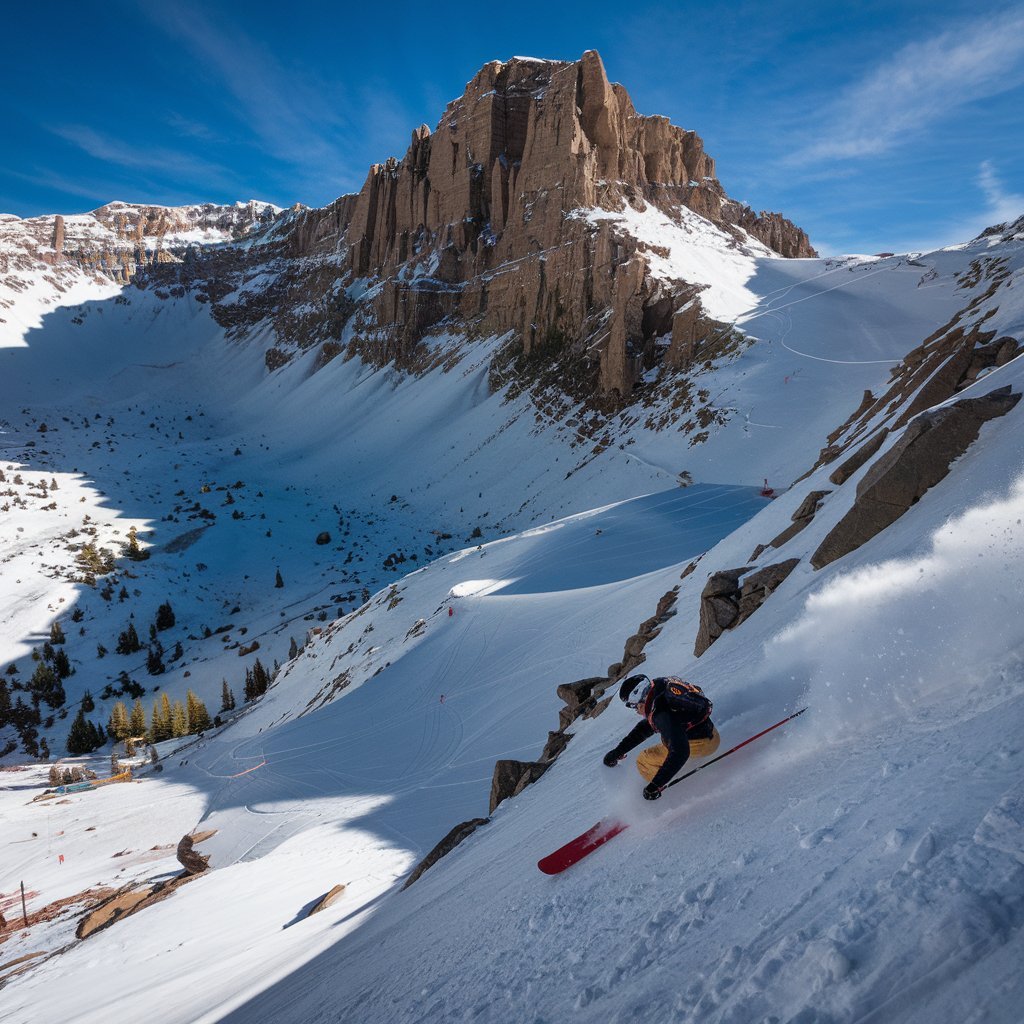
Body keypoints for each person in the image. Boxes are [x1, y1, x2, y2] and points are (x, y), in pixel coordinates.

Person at [602, 674, 720, 800]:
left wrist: (655, 786)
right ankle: (669, 775)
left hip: (702, 745)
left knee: (644, 760)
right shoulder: (660, 688)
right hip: (710, 733)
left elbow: (680, 752)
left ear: (640, 700)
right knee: (666, 741)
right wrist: (619, 751)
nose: (635, 710)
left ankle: (673, 791)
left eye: (633, 705)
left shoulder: (661, 714)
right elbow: (646, 727)